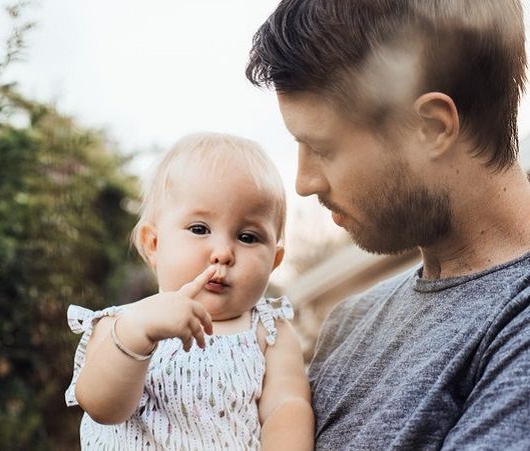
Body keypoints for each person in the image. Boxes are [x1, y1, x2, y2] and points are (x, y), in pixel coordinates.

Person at [246, 0, 530, 449]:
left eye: (321, 147)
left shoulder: (516, 321)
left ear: (433, 128)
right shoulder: (350, 321)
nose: (303, 182)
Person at [64, 132, 314, 450]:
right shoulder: (121, 324)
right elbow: (102, 407)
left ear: (275, 260)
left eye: (248, 237)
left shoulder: (269, 332)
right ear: (153, 244)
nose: (223, 252)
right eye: (199, 229)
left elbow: (287, 407)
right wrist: (136, 334)